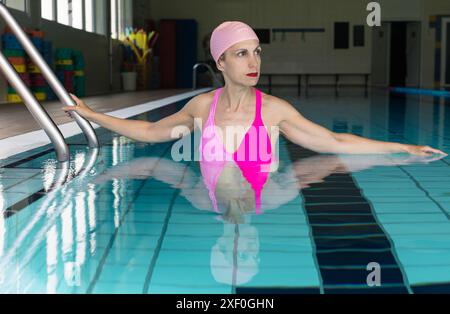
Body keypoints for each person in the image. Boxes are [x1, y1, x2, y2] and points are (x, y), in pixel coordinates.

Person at [62, 21, 446, 211]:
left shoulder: (274, 112)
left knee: (322, 165)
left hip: (265, 184)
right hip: (220, 192)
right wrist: (92, 115)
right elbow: (150, 135)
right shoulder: (201, 110)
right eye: (242, 53)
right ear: (221, 62)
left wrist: (403, 146)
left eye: (257, 51)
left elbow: (335, 145)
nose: (254, 61)